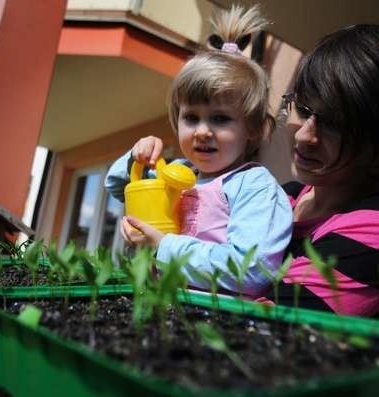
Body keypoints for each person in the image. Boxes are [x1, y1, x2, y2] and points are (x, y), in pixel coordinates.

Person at [105, 5, 292, 297]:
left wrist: (164, 246)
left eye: (220, 118)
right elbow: (118, 185)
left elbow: (251, 271)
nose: (202, 131)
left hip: (215, 320)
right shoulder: (177, 172)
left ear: (253, 128)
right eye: (191, 117)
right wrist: (135, 158)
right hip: (158, 305)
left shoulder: (253, 185)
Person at [269, 23, 379, 323]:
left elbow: (263, 328)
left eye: (335, 124)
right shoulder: (285, 197)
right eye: (304, 110)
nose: (305, 136)